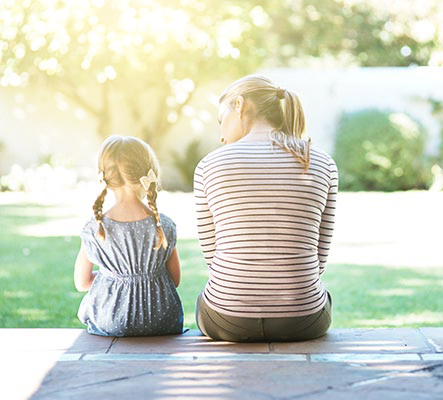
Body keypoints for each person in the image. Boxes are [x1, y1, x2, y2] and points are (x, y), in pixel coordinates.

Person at [194, 75, 338, 342]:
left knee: (206, 299)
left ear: (239, 105)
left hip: (227, 319)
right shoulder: (322, 162)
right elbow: (319, 257)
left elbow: (213, 257)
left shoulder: (209, 165)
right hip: (303, 320)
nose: (221, 134)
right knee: (322, 296)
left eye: (220, 120)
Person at [74, 135, 184, 336]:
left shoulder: (95, 227)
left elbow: (82, 283)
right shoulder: (164, 224)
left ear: (104, 177)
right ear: (148, 173)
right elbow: (174, 280)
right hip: (162, 320)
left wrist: (114, 276)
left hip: (112, 320)